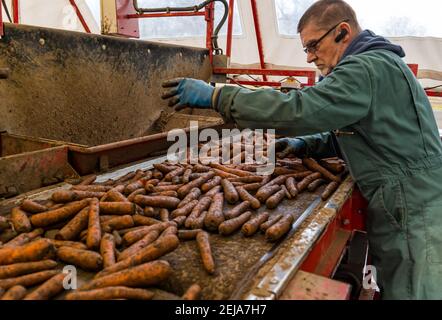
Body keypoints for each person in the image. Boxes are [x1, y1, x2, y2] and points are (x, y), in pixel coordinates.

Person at [161, 0, 442, 300]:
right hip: (408, 198)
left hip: (413, 208)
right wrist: (305, 144)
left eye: (312, 46)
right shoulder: (378, 64)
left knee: (414, 291)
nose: (309, 57)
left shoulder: (365, 69)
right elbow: (358, 133)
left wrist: (219, 96)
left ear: (342, 32)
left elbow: (299, 110)